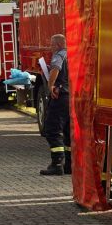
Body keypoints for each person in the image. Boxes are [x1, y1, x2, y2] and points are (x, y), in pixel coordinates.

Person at [40, 34, 72, 175]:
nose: (51, 48)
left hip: (60, 96)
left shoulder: (59, 55)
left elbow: (56, 69)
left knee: (52, 130)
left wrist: (50, 85)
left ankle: (57, 164)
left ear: (58, 45)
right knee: (67, 131)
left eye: (52, 45)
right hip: (70, 97)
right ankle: (69, 165)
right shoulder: (71, 55)